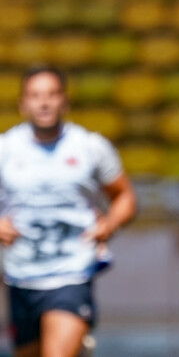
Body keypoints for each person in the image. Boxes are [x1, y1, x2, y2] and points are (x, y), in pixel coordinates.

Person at [0, 66, 137, 357]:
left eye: (52, 94)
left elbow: (124, 196)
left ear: (65, 100)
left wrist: (109, 223)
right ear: (23, 103)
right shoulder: (6, 149)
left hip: (71, 275)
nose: (44, 102)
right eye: (35, 96)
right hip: (20, 277)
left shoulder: (90, 147)